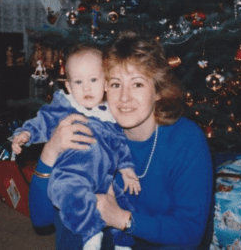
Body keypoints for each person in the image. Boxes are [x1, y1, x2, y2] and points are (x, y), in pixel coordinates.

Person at [29, 31, 214, 250]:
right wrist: (50, 151)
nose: (124, 97)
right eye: (116, 84)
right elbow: (41, 220)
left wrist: (120, 218)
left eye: (137, 84)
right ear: (105, 88)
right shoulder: (92, 132)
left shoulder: (186, 140)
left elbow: (189, 234)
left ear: (157, 91)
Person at [12, 43, 140, 250]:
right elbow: (43, 121)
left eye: (93, 80)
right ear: (69, 87)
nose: (87, 88)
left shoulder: (109, 116)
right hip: (72, 175)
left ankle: (122, 243)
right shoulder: (65, 108)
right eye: (78, 82)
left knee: (123, 199)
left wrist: (127, 169)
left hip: (104, 178)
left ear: (106, 83)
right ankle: (90, 234)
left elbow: (120, 145)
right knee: (67, 194)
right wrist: (25, 134)